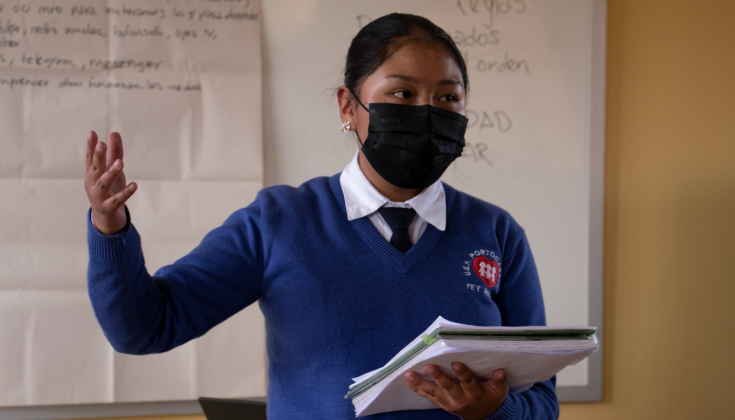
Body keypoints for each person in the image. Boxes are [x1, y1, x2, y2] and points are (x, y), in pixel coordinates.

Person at [84, 13, 558, 420]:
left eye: (447, 98)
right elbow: (144, 329)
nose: (427, 113)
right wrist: (111, 231)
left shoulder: (495, 233)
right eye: (402, 94)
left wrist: (496, 410)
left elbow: (542, 403)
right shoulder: (279, 221)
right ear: (348, 106)